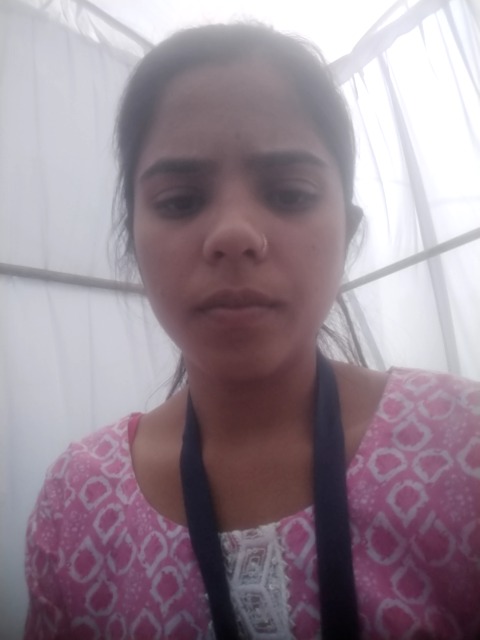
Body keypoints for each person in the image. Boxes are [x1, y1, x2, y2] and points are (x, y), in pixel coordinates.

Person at [24, 22, 480, 640]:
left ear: (347, 233)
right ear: (133, 241)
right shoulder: (78, 501)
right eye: (180, 201)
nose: (234, 233)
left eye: (289, 193)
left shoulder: (462, 448)